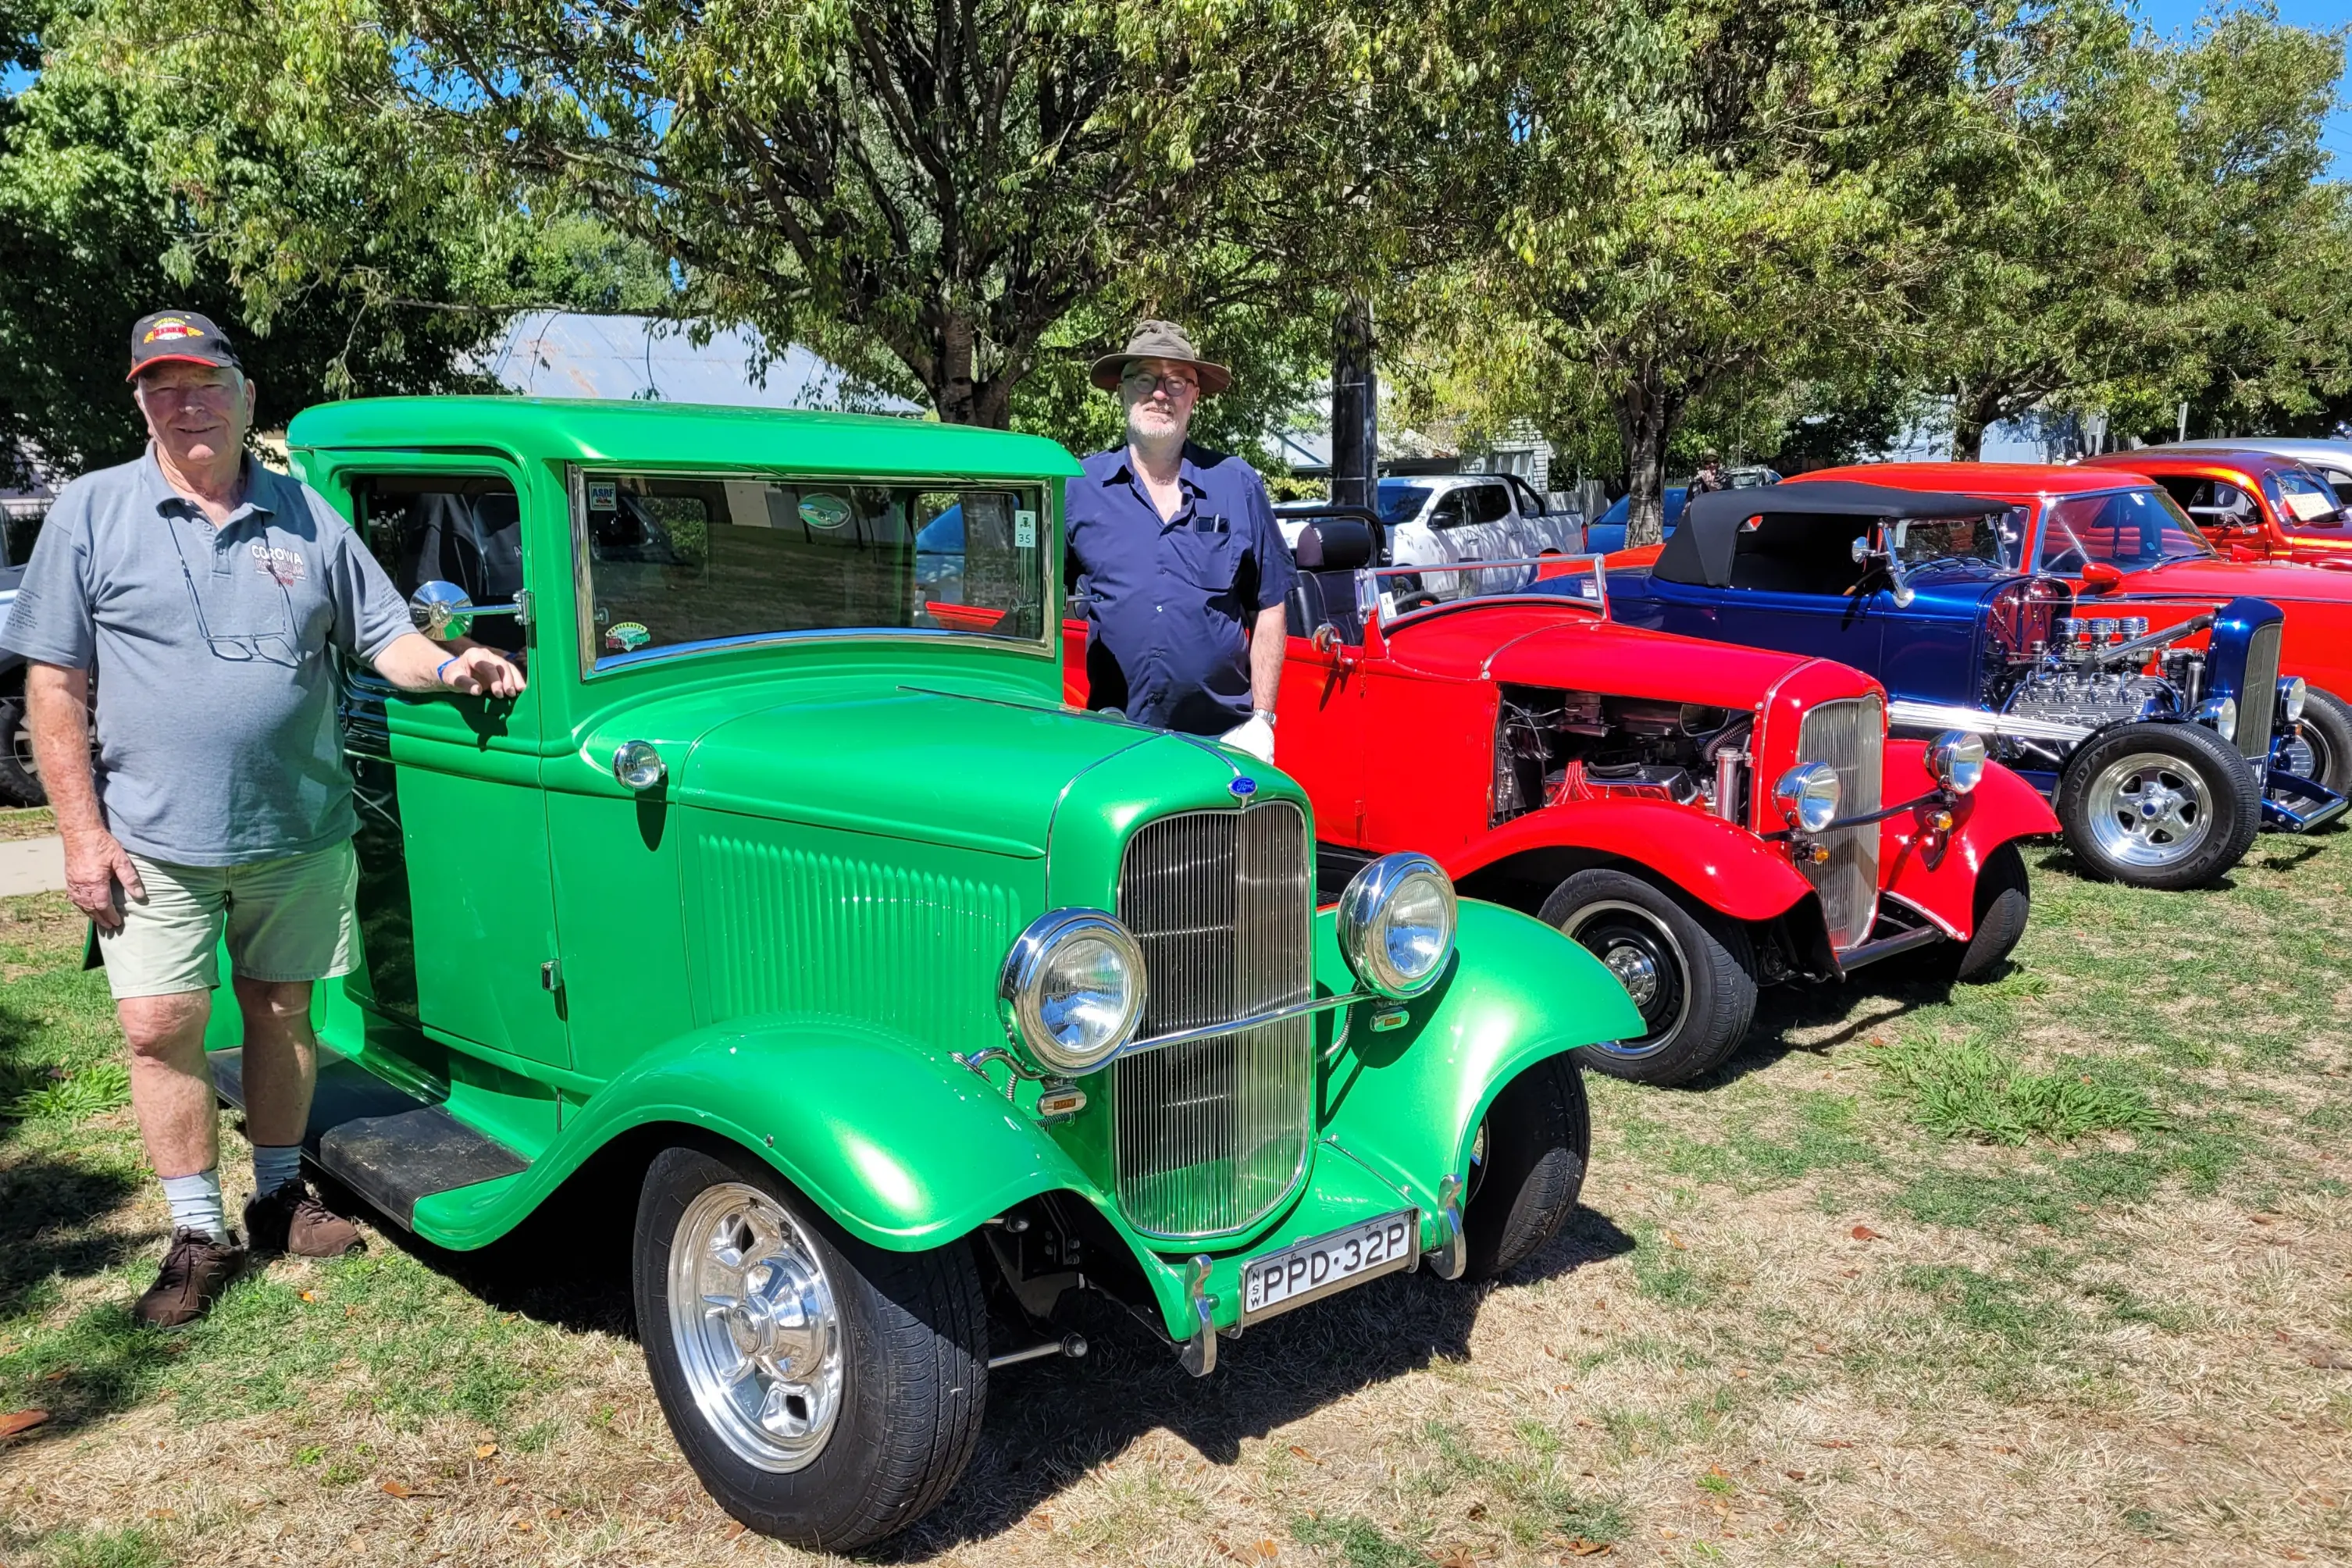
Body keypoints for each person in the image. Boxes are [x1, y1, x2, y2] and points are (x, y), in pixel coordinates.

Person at [0, 311, 526, 1327]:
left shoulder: (306, 516)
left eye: (204, 383)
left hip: (299, 827)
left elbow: (385, 640)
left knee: (285, 1012)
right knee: (161, 1026)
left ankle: (279, 1197)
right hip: (150, 839)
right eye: (161, 386)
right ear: (141, 401)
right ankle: (195, 1232)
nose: (184, 403)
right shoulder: (92, 510)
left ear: (245, 397)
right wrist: (79, 834)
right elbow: (55, 686)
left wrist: (453, 664)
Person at [1064, 322, 1293, 762]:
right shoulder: (1079, 487)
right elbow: (1039, 603)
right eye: (1145, 379)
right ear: (1122, 390)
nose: (1159, 394)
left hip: (1223, 743)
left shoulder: (1237, 484)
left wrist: (1263, 721)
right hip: (1113, 742)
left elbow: (1270, 603)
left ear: (1195, 395)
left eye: (1175, 381)